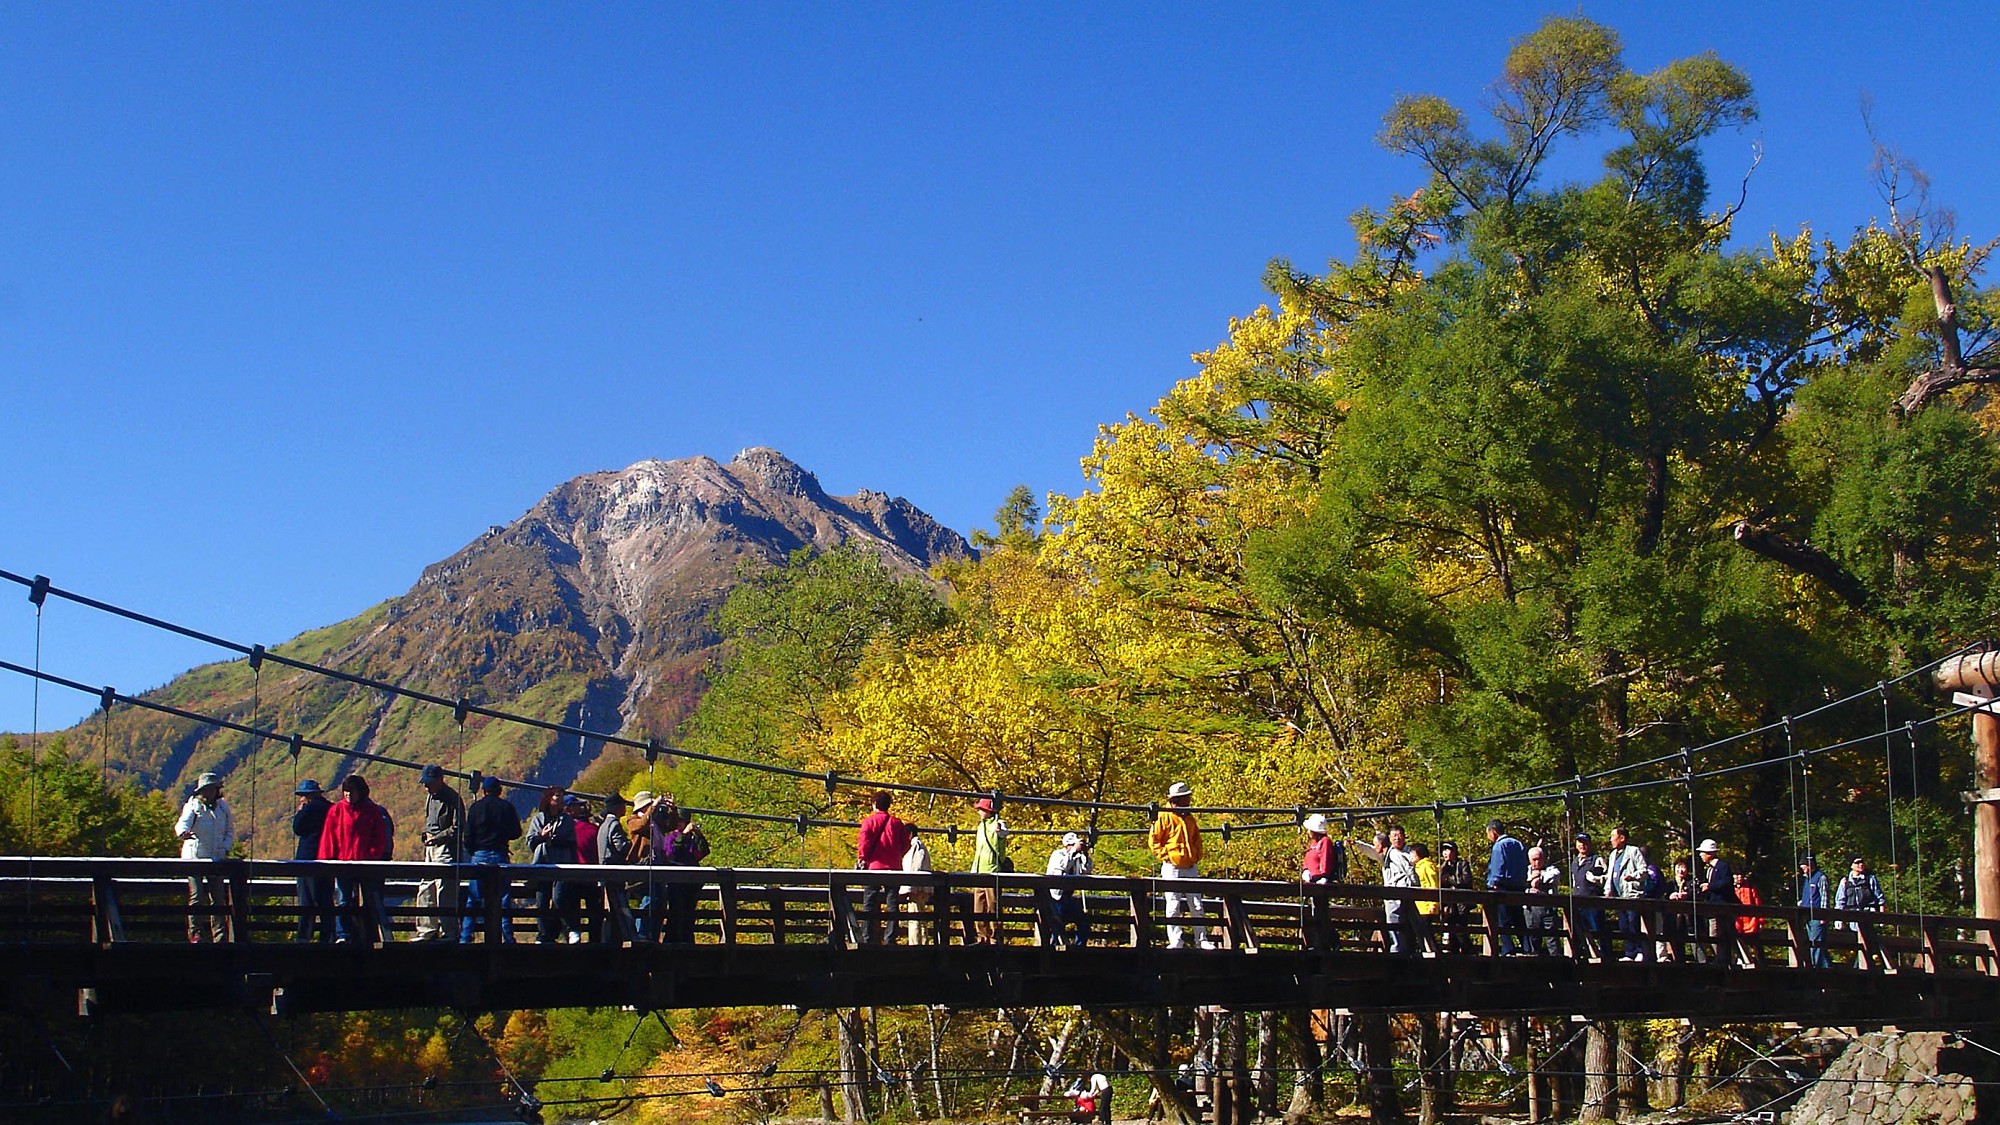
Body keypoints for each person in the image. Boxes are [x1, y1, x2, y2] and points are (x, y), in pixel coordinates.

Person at [318, 775, 393, 944]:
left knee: (370, 900)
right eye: (346, 792)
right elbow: (329, 837)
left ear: (361, 792)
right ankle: (343, 935)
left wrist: (372, 855)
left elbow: (379, 837)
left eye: (352, 791)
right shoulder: (336, 811)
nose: (348, 795)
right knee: (343, 900)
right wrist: (327, 861)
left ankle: (368, 935)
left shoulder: (372, 810)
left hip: (366, 865)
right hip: (343, 864)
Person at [176, 772, 236, 943]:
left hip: (216, 859)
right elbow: (182, 824)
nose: (209, 792)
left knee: (218, 899)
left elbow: (230, 831)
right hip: (194, 858)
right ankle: (196, 934)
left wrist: (224, 847)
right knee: (197, 896)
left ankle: (220, 936)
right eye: (206, 789)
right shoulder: (193, 806)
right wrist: (183, 833)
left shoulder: (223, 807)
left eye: (212, 789)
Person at [461, 776, 521, 944]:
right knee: (503, 899)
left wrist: (473, 850)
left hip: (480, 854)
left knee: (473, 899)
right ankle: (508, 938)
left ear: (484, 791)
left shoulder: (475, 808)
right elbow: (516, 832)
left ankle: (465, 938)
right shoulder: (506, 807)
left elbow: (468, 836)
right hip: (500, 854)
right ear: (499, 790)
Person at [1148, 782, 1207, 950]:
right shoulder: (1163, 816)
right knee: (1173, 904)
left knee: (1196, 904)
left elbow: (1197, 840)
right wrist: (1168, 857)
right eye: (1186, 797)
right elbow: (1154, 841)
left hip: (1190, 865)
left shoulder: (1189, 817)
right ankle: (1176, 941)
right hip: (1172, 866)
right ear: (1178, 799)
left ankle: (1201, 940)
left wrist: (1195, 856)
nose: (1189, 800)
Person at [411, 764, 465, 942]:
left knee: (445, 889)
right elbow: (430, 822)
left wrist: (438, 837)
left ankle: (449, 931)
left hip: (446, 848)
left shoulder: (453, 799)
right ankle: (427, 930)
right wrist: (426, 836)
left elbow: (457, 828)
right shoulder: (431, 798)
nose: (426, 787)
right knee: (426, 886)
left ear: (439, 780)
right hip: (431, 847)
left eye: (429, 783)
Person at [1351, 825, 1419, 954]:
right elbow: (1371, 851)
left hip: (1404, 895)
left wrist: (1416, 888)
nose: (1397, 838)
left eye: (1399, 835)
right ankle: (1400, 951)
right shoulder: (1387, 855)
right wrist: (1357, 844)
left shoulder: (1406, 853)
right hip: (1396, 897)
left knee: (1403, 926)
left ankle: (1401, 952)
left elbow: (1411, 873)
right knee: (1398, 926)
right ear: (1389, 838)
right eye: (1394, 836)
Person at [525, 786, 580, 944]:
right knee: (541, 900)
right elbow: (531, 841)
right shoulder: (538, 819)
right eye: (557, 796)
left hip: (561, 865)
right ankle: (544, 935)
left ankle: (570, 929)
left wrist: (554, 840)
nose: (560, 799)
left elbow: (571, 842)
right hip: (542, 863)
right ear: (549, 798)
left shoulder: (567, 820)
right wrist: (542, 836)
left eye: (562, 796)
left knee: (559, 897)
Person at [856, 791, 912, 945]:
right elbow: (906, 844)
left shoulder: (869, 822)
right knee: (892, 903)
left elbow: (864, 843)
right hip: (894, 867)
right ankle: (890, 938)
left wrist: (863, 858)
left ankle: (867, 937)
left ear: (874, 804)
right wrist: (897, 855)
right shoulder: (897, 823)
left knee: (869, 903)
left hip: (874, 867)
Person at [291, 778, 334, 943]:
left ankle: (303, 937)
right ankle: (328, 937)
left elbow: (298, 828)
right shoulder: (331, 808)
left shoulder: (308, 809)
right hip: (328, 858)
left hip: (307, 858)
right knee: (325, 899)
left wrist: (301, 812)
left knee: (307, 901)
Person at [660, 805, 711, 944]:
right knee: (676, 913)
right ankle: (672, 940)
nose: (681, 824)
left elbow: (703, 852)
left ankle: (687, 940)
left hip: (691, 883)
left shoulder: (692, 840)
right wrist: (684, 834)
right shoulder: (670, 837)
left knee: (689, 913)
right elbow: (673, 853)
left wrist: (699, 835)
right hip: (676, 882)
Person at [969, 797, 1011, 945]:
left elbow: (1004, 833)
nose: (979, 811)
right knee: (978, 907)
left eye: (981, 809)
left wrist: (1000, 830)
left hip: (993, 870)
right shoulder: (981, 826)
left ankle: (995, 937)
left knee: (993, 906)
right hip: (981, 870)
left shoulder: (998, 823)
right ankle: (982, 937)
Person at [597, 793, 637, 944]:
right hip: (614, 873)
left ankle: (610, 939)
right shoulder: (614, 824)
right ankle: (628, 936)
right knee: (619, 904)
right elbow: (621, 847)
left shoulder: (603, 826)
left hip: (605, 872)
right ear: (617, 807)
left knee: (611, 909)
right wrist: (632, 844)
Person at [1604, 826, 1648, 961]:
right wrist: (1607, 890)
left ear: (1622, 838)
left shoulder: (1633, 851)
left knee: (1633, 922)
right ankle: (1629, 953)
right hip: (1619, 895)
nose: (1611, 840)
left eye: (1613, 836)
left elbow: (1643, 871)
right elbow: (1610, 875)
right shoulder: (1612, 855)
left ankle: (1639, 951)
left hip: (1631, 894)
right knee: (1623, 925)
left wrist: (1633, 877)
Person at [1485, 820, 1528, 954]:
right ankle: (1527, 948)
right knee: (1519, 919)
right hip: (1519, 887)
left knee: (1503, 921)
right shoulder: (1518, 844)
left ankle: (1508, 949)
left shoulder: (1499, 846)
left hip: (1504, 887)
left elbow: (1498, 867)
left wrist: (1492, 884)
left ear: (1493, 832)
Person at [1835, 854, 1885, 966]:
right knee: (1857, 943)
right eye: (1857, 863)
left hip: (1868, 915)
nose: (1861, 865)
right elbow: (1840, 901)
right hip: (1852, 917)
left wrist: (1882, 916)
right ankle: (1859, 965)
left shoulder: (1870, 879)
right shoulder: (1845, 882)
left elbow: (1880, 898)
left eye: (1862, 862)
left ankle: (1861, 966)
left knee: (1868, 941)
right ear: (1851, 865)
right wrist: (1839, 920)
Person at [1045, 832, 1092, 948]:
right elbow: (1064, 865)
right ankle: (1053, 946)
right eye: (1074, 844)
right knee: (1056, 921)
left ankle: (1079, 947)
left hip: (1067, 897)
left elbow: (1087, 870)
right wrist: (1074, 851)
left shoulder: (1077, 857)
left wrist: (1085, 854)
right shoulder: (1058, 855)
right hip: (1055, 897)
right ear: (1067, 845)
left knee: (1083, 920)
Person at [1300, 813, 1336, 950]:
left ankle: (1325, 942)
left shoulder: (1325, 842)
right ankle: (1318, 942)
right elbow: (1308, 861)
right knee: (1315, 911)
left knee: (1321, 912)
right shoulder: (1313, 844)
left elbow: (1326, 860)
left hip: (1319, 882)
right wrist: (1306, 871)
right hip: (1312, 882)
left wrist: (1324, 876)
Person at [1695, 839, 1734, 962]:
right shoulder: (1710, 869)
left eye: (1702, 852)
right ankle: (1721, 958)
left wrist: (1710, 886)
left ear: (1709, 853)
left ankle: (1724, 959)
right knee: (1715, 934)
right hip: (1713, 907)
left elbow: (1726, 882)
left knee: (1719, 933)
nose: (1701, 855)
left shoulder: (1722, 866)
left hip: (1721, 906)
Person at [1569, 832, 1608, 956]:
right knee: (1579, 931)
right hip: (1578, 902)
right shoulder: (1574, 862)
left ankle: (1605, 955)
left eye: (1585, 843)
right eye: (1580, 842)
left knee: (1598, 929)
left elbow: (1607, 878)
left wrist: (1596, 880)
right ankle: (1583, 954)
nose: (1582, 845)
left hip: (1593, 901)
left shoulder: (1597, 860)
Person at [900, 826, 939, 945]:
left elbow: (915, 867)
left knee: (915, 918)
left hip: (917, 889)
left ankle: (916, 943)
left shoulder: (916, 847)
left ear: (910, 834)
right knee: (920, 917)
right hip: (920, 887)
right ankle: (922, 942)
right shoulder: (918, 846)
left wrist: (910, 887)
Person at [568, 795, 599, 939]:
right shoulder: (594, 830)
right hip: (592, 877)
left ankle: (573, 935)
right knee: (594, 912)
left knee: (572, 909)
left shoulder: (569, 830)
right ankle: (595, 939)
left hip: (573, 877)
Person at [1436, 841, 1476, 953]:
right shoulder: (1443, 867)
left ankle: (1468, 953)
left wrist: (1449, 879)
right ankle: (1454, 954)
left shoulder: (1462, 864)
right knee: (1451, 930)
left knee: (1460, 930)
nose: (1445, 853)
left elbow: (1466, 880)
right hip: (1449, 905)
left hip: (1462, 903)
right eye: (1443, 850)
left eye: (1448, 850)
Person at [1523, 845, 1562, 955]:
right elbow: (1522, 884)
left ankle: (1557, 964)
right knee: (1533, 938)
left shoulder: (1551, 869)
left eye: (1539, 859)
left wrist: (1539, 877)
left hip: (1548, 908)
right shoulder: (1525, 871)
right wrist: (1530, 881)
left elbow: (1554, 876)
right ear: (1529, 860)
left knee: (1552, 939)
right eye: (1534, 859)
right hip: (1531, 909)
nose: (1537, 862)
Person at [1797, 853, 1831, 968]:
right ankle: (1828, 970)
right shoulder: (1807, 879)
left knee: (1815, 944)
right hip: (1808, 916)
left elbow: (1824, 897)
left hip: (1817, 917)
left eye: (1804, 867)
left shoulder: (1820, 878)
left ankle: (1816, 968)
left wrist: (1823, 915)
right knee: (1817, 945)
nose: (1803, 870)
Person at [1733, 870, 1763, 965]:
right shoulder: (1730, 888)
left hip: (1751, 922)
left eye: (1741, 875)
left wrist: (1761, 921)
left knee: (1756, 944)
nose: (1739, 877)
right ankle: (1740, 961)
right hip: (1736, 922)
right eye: (1737, 875)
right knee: (1736, 944)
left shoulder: (1750, 888)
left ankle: (1760, 964)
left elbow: (1758, 904)